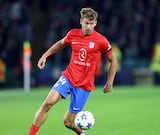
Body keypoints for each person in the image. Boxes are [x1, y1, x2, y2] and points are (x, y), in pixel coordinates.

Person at [28, 7, 118, 135]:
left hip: (84, 85)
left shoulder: (101, 41)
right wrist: (45, 56)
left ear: (96, 23)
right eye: (87, 23)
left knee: (68, 122)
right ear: (81, 21)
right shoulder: (73, 34)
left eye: (92, 24)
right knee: (47, 103)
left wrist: (109, 83)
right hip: (68, 77)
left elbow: (113, 61)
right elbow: (60, 44)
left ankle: (81, 132)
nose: (89, 27)